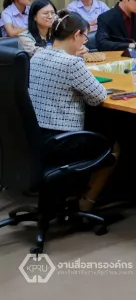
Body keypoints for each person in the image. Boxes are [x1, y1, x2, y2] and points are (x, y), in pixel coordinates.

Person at [28, 11, 117, 212]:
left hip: (36, 137)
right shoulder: (72, 63)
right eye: (85, 37)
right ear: (76, 34)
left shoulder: (37, 55)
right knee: (114, 145)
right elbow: (99, 96)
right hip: (63, 141)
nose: (85, 41)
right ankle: (86, 202)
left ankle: (69, 194)